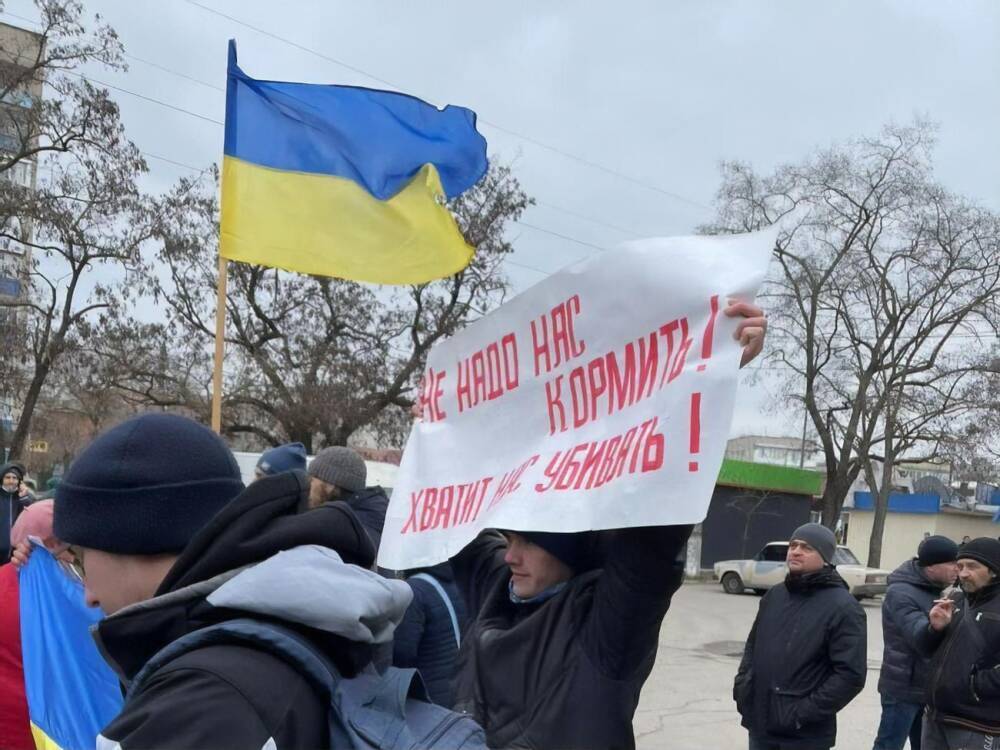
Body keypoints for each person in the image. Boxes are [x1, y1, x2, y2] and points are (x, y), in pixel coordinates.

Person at [451, 300, 767, 749]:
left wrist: (712, 377)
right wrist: (438, 434)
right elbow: (450, 512)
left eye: (528, 542)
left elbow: (655, 533)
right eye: (508, 539)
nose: (509, 555)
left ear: (569, 548)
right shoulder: (497, 587)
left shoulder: (605, 627)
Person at [52, 412, 412, 748]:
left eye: (82, 561)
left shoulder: (199, 708)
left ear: (135, 541)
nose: (89, 596)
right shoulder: (280, 634)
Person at [735, 523, 867, 750]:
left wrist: (800, 713)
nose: (795, 551)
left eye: (806, 548)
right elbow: (752, 646)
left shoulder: (844, 607)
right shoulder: (775, 595)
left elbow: (850, 676)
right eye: (793, 545)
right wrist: (743, 687)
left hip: (804, 736)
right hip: (760, 726)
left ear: (825, 557)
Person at [873, 535, 959, 750]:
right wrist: (936, 626)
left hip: (926, 687)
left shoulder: (931, 589)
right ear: (931, 566)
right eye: (951, 564)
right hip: (903, 687)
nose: (956, 570)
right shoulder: (901, 592)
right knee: (889, 745)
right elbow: (919, 637)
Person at [917, 537, 1000, 749]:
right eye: (960, 566)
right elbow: (926, 651)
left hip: (978, 724)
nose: (963, 573)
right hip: (936, 717)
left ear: (994, 570)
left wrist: (973, 685)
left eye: (972, 567)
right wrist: (935, 629)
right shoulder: (957, 599)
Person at [393, 561, 469, 707]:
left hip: (429, 696)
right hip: (460, 690)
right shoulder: (458, 583)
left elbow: (402, 653)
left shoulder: (413, 591)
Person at [307, 445, 389, 551]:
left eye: (311, 480)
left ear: (330, 485)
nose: (307, 486)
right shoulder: (364, 519)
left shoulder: (349, 534)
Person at [1, 461, 31, 561]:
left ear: (19, 481)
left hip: (15, 556)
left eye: (15, 478)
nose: (11, 481)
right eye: (8, 477)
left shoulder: (24, 499)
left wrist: (24, 499)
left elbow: (30, 520)